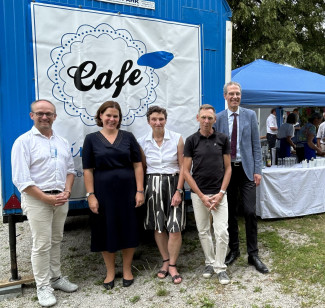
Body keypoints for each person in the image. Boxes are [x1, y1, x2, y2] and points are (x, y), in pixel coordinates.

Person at [11, 99, 78, 307]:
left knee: (56, 239)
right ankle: (43, 286)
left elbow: (70, 170)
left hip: (60, 198)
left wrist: (67, 191)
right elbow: (21, 179)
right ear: (32, 116)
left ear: (55, 117)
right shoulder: (24, 142)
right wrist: (45, 198)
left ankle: (56, 278)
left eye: (49, 113)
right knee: (41, 244)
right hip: (37, 200)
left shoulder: (62, 141)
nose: (44, 117)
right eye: (40, 113)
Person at [82, 101, 144, 290]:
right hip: (102, 193)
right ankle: (110, 272)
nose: (112, 119)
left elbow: (137, 164)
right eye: (108, 115)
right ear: (100, 116)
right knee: (104, 230)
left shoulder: (128, 137)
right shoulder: (91, 139)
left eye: (115, 116)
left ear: (119, 118)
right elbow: (87, 170)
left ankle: (127, 269)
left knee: (128, 229)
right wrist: (90, 195)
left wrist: (140, 190)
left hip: (128, 192)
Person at [214, 81, 269, 274]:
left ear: (240, 96)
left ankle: (253, 254)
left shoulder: (250, 115)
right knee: (229, 213)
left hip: (246, 170)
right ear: (225, 96)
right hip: (227, 171)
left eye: (237, 93)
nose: (235, 97)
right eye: (231, 94)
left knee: (250, 211)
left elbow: (256, 144)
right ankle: (234, 249)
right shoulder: (218, 118)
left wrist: (257, 170)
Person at [183, 104, 232, 285]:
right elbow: (186, 171)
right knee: (203, 231)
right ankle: (209, 263)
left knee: (222, 232)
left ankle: (220, 267)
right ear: (198, 118)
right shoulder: (191, 140)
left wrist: (221, 193)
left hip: (219, 193)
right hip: (199, 195)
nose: (206, 121)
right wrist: (201, 195)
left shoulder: (222, 139)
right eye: (203, 117)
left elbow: (228, 168)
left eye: (209, 118)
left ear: (214, 120)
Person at [137, 106, 185, 285]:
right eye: (154, 119)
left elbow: (183, 167)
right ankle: (165, 261)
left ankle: (173, 265)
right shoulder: (142, 142)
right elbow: (141, 168)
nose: (158, 122)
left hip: (173, 183)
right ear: (149, 121)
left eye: (161, 119)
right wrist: (141, 190)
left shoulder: (177, 139)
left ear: (166, 120)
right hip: (152, 184)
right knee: (159, 226)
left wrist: (179, 190)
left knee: (175, 226)